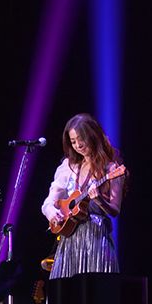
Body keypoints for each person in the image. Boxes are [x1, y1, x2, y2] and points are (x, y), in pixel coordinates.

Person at [40, 113, 127, 280]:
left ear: (93, 136)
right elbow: (49, 201)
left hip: (96, 238)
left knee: (95, 288)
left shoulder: (111, 168)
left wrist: (99, 200)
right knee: (66, 289)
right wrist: (53, 213)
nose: (78, 145)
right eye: (73, 142)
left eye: (81, 139)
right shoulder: (68, 166)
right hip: (69, 241)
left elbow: (115, 210)